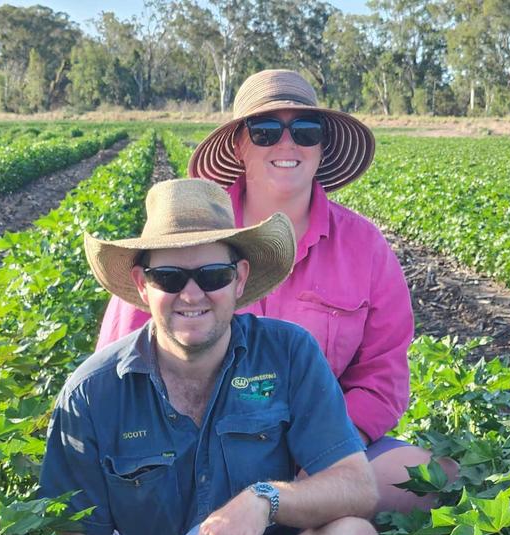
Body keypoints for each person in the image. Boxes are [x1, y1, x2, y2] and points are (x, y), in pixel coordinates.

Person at [39, 178, 385, 535]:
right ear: (142, 285)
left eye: (213, 275)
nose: (192, 295)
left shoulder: (287, 353)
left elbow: (357, 487)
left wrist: (264, 500)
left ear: (239, 279)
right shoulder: (92, 392)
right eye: (169, 278)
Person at [96, 69, 458, 512]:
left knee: (431, 480)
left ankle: (288, 514)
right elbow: (118, 365)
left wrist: (328, 452)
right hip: (198, 454)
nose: (286, 144)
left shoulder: (364, 246)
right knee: (342, 528)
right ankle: (286, 523)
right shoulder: (187, 237)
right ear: (239, 145)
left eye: (305, 131)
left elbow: (382, 375)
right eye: (264, 131)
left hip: (319, 447)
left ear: (321, 147)